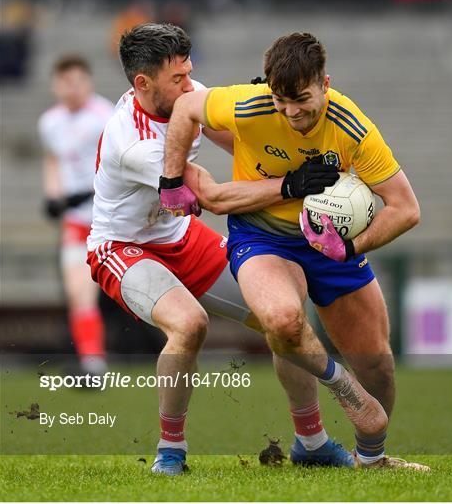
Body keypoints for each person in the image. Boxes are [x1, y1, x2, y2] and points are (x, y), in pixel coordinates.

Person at [86, 23, 379, 476]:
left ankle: (311, 441)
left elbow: (245, 143)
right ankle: (170, 451)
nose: (190, 86)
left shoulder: (190, 97)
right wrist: (290, 185)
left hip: (180, 237)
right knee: (189, 325)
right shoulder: (133, 143)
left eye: (190, 73)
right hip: (121, 245)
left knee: (280, 318)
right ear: (142, 84)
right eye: (177, 80)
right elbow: (216, 197)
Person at [161, 32, 430, 471]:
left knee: (378, 365)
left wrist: (349, 247)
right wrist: (171, 182)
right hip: (263, 236)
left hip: (331, 246)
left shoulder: (352, 128)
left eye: (302, 99)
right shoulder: (250, 103)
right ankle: (345, 395)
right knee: (283, 322)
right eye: (281, 100)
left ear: (326, 83)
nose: (290, 112)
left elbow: (405, 209)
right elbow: (187, 108)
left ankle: (371, 459)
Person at [39, 55, 114, 376]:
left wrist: (89, 191)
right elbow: (54, 160)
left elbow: (120, 166)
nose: (72, 87)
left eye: (78, 80)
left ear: (89, 82)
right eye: (65, 81)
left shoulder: (104, 115)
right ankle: (92, 363)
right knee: (77, 292)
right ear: (55, 85)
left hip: (110, 220)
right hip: (76, 222)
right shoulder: (50, 122)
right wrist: (53, 195)